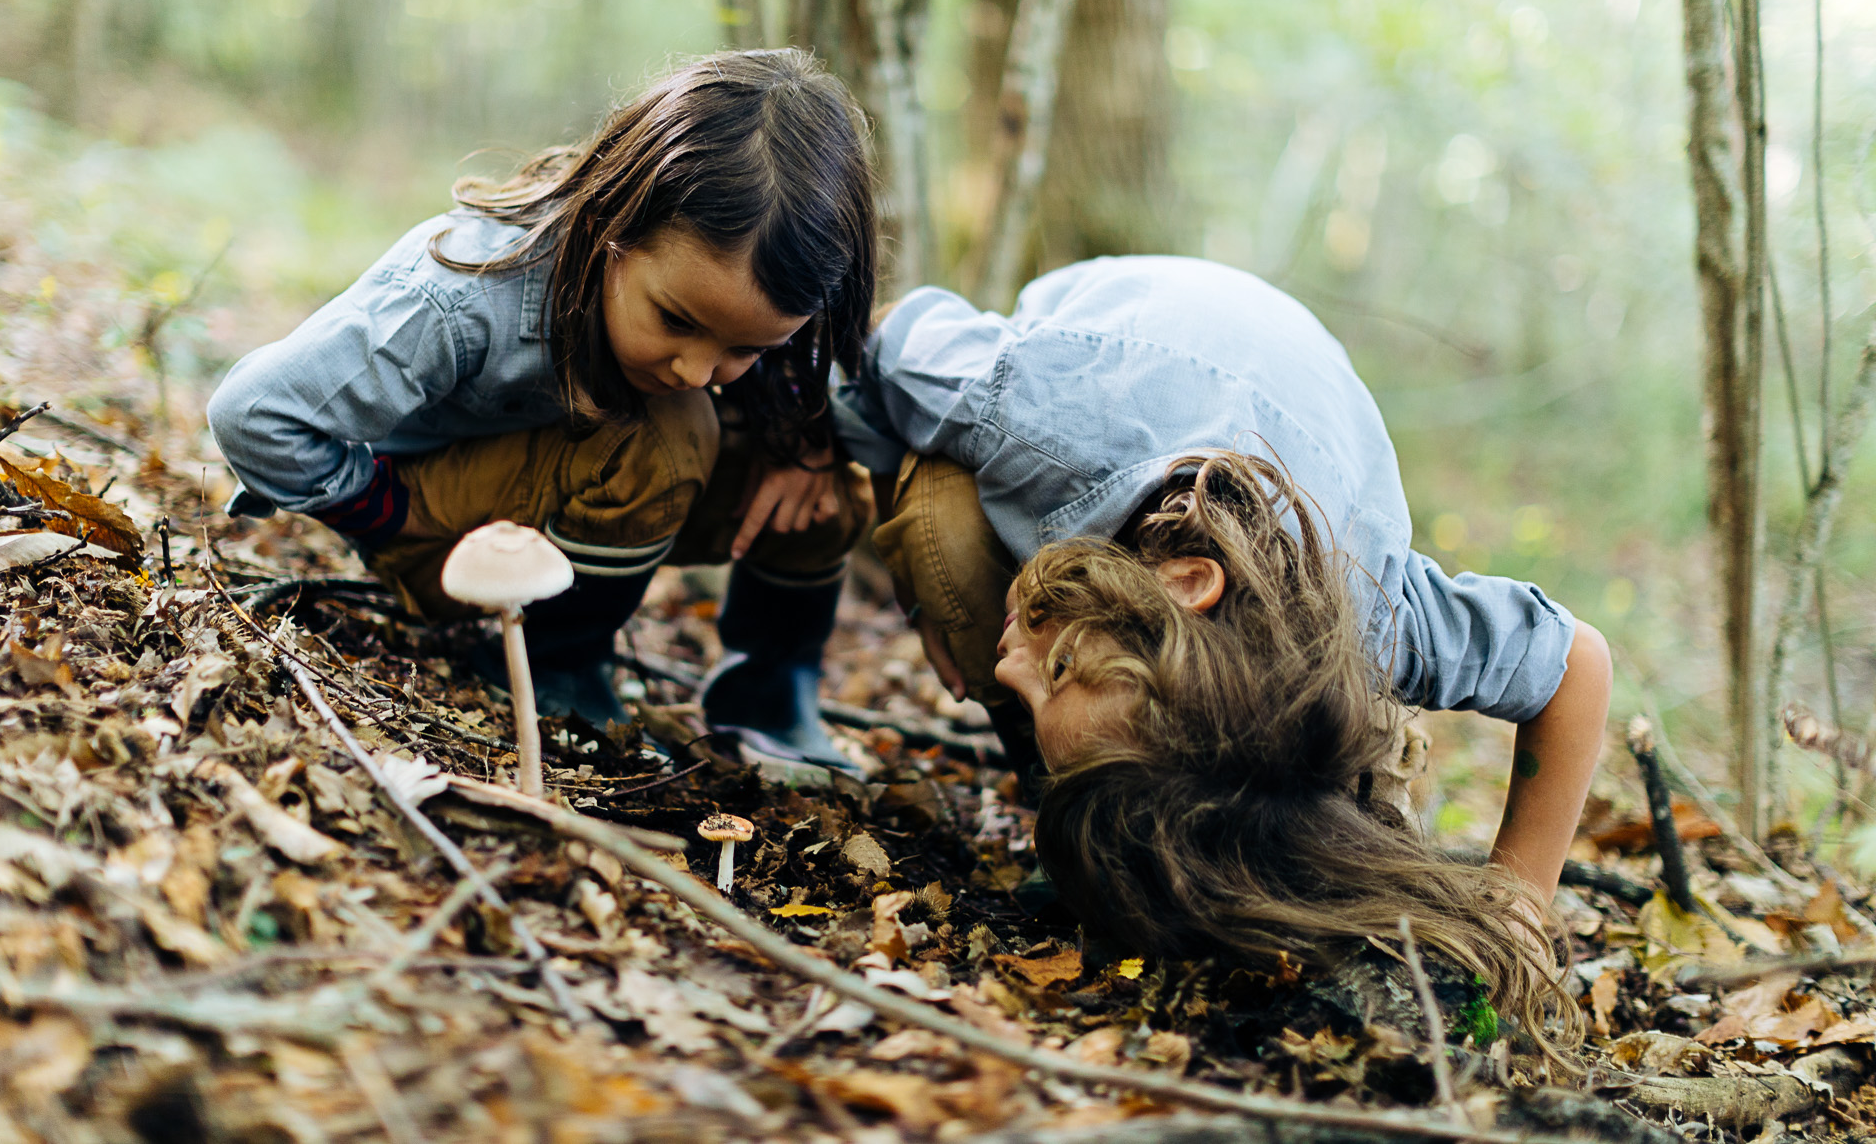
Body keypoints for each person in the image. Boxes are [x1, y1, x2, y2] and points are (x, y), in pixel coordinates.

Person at [831, 256, 1611, 981]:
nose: (1002, 673)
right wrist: (895, 539)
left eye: (1052, 669)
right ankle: (1067, 801)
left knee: (1295, 798)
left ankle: (1116, 795)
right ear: (1181, 583)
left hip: (1277, 433)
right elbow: (883, 330)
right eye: (1058, 672)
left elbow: (1575, 663)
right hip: (1117, 372)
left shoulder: (1370, 615)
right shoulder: (1026, 409)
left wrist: (1519, 904)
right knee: (946, 529)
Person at [208, 49, 877, 771]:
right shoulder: (457, 298)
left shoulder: (747, 310)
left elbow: (821, 392)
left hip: (558, 496)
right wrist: (383, 510)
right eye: (676, 320)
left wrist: (808, 445)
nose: (696, 369)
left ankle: (769, 700)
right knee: (675, 428)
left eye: (746, 347)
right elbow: (255, 412)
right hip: (444, 530)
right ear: (611, 226)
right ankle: (557, 672)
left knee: (830, 482)